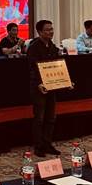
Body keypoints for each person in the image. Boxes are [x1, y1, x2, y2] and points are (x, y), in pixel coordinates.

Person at [27, 19, 61, 157]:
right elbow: (31, 68)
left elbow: (57, 65)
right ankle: (39, 146)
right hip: (39, 87)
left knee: (51, 117)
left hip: (51, 86)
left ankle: (47, 143)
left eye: (51, 29)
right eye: (47, 30)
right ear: (40, 32)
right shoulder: (34, 47)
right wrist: (38, 84)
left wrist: (65, 81)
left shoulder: (52, 46)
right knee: (39, 118)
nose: (51, 32)